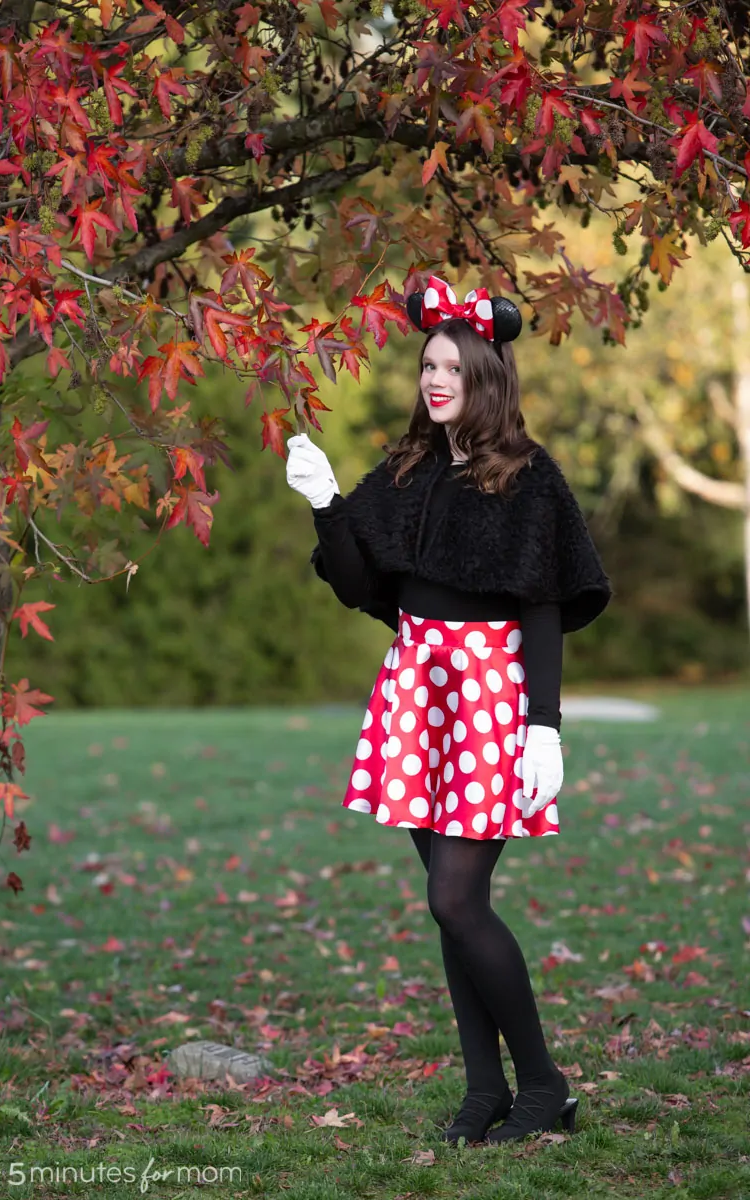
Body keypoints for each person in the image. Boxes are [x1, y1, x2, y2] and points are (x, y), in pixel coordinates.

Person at [285, 274, 613, 1146]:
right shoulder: (405, 469)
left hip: (490, 697)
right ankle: (484, 1093)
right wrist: (324, 504)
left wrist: (544, 723)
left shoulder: (528, 477)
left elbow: (543, 602)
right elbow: (360, 586)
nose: (436, 380)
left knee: (458, 898)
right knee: (446, 903)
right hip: (415, 689)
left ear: (487, 378)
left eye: (453, 368)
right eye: (428, 364)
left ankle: (543, 1086)